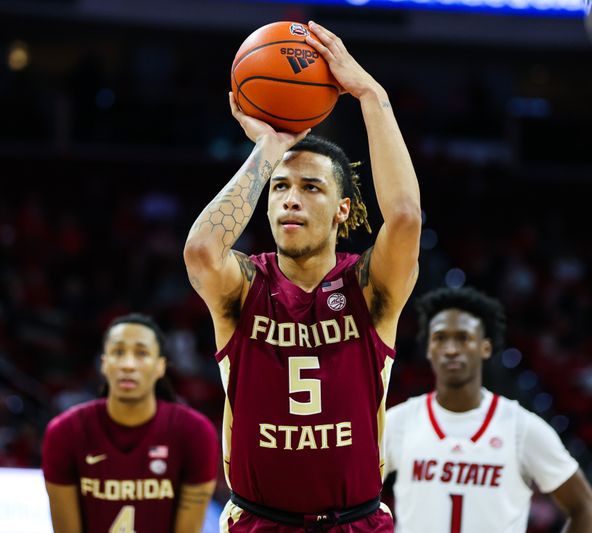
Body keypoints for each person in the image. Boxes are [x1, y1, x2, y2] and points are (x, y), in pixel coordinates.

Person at [183, 20, 421, 533]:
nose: (290, 197)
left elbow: (403, 218)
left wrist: (371, 95)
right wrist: (268, 151)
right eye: (280, 188)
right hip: (259, 522)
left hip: (355, 522)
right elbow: (201, 249)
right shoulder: (245, 285)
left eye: (311, 187)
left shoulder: (369, 287)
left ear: (342, 209)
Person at [384, 287, 592, 533]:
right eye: (440, 338)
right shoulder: (398, 421)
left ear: (485, 347)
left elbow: (583, 505)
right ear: (429, 348)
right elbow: (352, 498)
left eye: (463, 338)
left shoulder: (521, 427)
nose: (451, 349)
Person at [42, 313, 220, 533]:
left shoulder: (195, 432)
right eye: (118, 352)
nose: (128, 365)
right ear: (104, 364)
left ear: (160, 367)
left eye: (141, 353)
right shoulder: (64, 432)